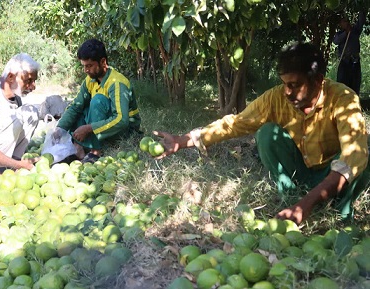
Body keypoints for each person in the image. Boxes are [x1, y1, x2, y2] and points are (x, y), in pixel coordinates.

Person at [154, 42, 370, 225]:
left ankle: (340, 213)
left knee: (363, 152)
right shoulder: (276, 98)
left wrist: (308, 203)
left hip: (331, 176)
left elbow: (352, 157)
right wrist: (183, 141)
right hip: (300, 172)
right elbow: (236, 124)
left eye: (295, 85)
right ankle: (292, 197)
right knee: (267, 133)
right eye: (285, 84)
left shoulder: (343, 99)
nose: (287, 92)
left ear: (317, 80)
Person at [55, 39, 141, 163]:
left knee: (98, 101)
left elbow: (121, 120)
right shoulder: (90, 80)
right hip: (105, 125)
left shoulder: (117, 83)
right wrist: (60, 128)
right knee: (79, 108)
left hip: (125, 130)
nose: (85, 70)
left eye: (89, 66)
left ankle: (96, 151)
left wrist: (89, 128)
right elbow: (75, 106)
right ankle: (78, 148)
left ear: (103, 62)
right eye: (84, 66)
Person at [333, 10, 367, 96]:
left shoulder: (355, 31)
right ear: (340, 24)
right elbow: (336, 41)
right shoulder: (339, 34)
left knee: (355, 87)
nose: (347, 23)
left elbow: (361, 21)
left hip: (355, 63)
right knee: (342, 87)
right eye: (344, 21)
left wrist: (361, 10)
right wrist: (346, 33)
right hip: (344, 63)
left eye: (347, 21)